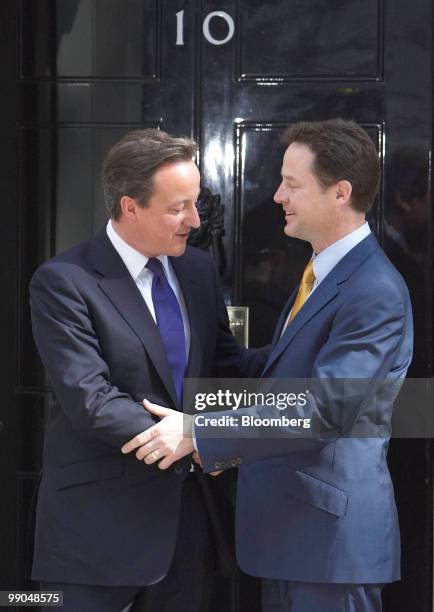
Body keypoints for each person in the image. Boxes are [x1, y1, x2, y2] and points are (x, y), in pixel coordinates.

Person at [122, 119, 414, 612]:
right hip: (293, 542)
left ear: (340, 192)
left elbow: (324, 411)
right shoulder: (325, 272)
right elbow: (280, 372)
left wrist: (198, 433)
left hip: (328, 550)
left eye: (292, 184)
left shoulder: (374, 291)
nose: (278, 195)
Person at [29, 128, 268, 612]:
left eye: (196, 203)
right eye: (178, 207)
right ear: (129, 206)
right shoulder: (64, 282)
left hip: (186, 530)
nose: (195, 220)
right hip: (94, 534)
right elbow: (90, 400)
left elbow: (226, 366)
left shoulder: (197, 270)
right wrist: (189, 439)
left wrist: (305, 346)